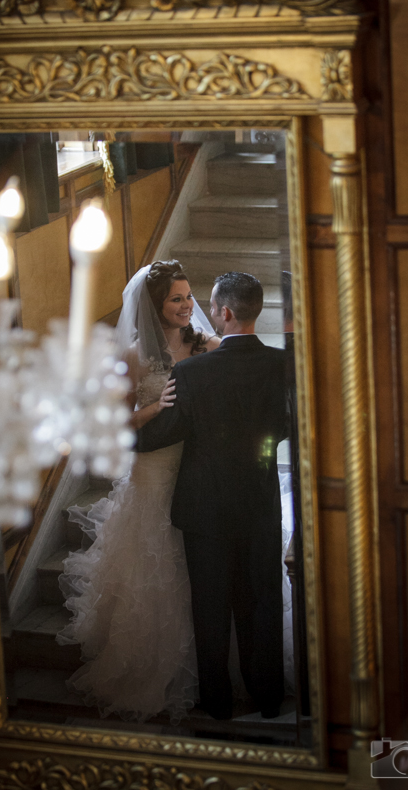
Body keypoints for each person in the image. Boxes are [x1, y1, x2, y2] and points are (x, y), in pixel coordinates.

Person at [57, 260, 219, 723]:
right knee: (154, 560)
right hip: (151, 469)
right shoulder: (131, 357)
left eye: (189, 297)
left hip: (198, 466)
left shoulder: (207, 346)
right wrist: (153, 408)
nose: (187, 306)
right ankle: (149, 664)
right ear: (154, 305)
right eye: (176, 299)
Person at [137, 272, 288, 720]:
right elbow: (286, 427)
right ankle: (268, 698)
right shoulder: (282, 365)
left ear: (223, 312)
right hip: (259, 501)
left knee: (210, 605)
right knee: (262, 601)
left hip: (205, 508)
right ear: (255, 309)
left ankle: (218, 701)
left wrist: (125, 437)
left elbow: (166, 433)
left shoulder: (191, 371)